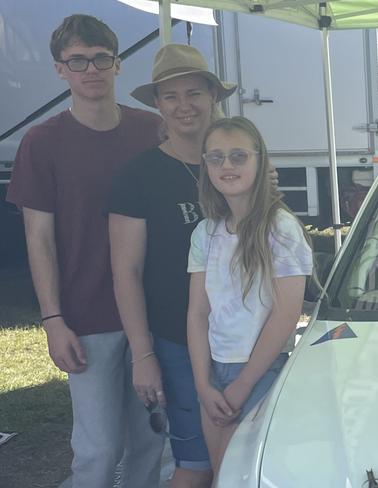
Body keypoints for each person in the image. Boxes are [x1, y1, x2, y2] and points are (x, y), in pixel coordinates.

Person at [6, 14, 163, 487]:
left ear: (117, 64)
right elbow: (39, 239)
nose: (90, 69)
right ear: (60, 70)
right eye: (78, 61)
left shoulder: (152, 132)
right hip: (86, 319)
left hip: (155, 315)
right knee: (98, 451)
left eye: (100, 59)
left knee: (151, 443)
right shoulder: (42, 142)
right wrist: (53, 321)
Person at [108, 43, 237, 487]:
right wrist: (143, 355)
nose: (184, 106)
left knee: (244, 457)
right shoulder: (137, 176)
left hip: (244, 339)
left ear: (212, 97)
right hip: (177, 342)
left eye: (194, 93)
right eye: (171, 96)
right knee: (196, 464)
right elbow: (125, 271)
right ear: (158, 105)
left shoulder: (238, 165)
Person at [186, 116, 313, 477]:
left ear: (261, 161)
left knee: (240, 475)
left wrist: (242, 385)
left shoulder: (281, 228)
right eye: (216, 157)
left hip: (262, 371)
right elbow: (197, 313)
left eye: (239, 156)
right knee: (220, 474)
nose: (227, 165)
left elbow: (286, 315)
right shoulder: (205, 233)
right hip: (213, 373)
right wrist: (203, 384)